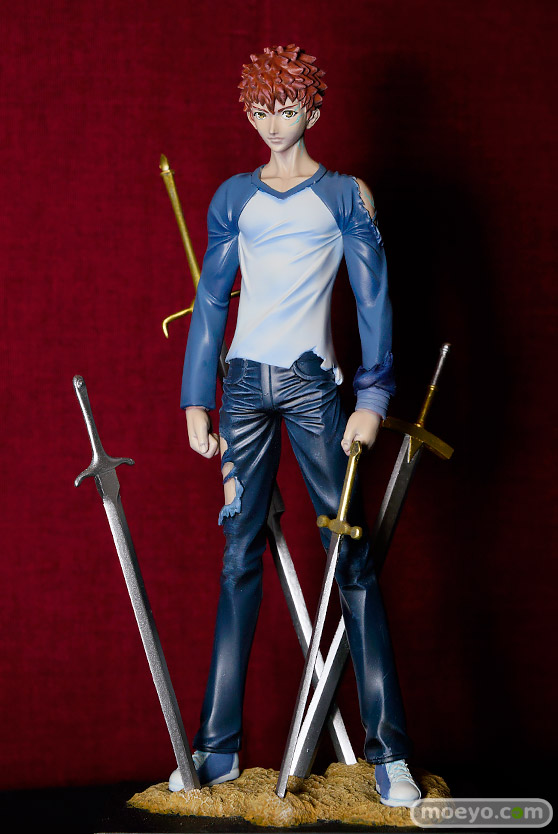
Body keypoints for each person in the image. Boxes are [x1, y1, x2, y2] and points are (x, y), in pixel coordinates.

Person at [169, 45, 420, 808]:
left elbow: (373, 302)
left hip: (316, 388)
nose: (273, 123)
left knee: (353, 558)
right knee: (237, 560)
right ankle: (216, 749)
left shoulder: (345, 197)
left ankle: (389, 753)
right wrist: (196, 399)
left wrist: (373, 397)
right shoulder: (232, 199)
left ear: (313, 108)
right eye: (260, 109)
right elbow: (212, 302)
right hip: (244, 388)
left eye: (286, 108)